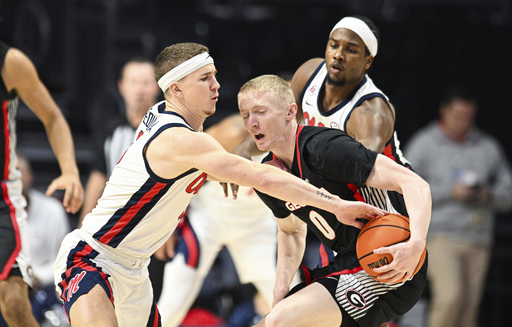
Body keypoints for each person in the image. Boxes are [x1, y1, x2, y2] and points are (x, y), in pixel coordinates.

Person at [53, 42, 385, 327]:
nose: (216, 85)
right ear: (177, 89)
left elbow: (165, 186)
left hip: (136, 271)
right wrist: (337, 205)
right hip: (94, 257)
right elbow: (263, 176)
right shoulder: (184, 139)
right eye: (205, 78)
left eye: (214, 76)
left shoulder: (171, 120)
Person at [237, 74, 431, 327]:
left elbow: (415, 184)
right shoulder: (268, 175)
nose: (252, 123)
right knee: (269, 321)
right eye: (245, 115)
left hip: (390, 258)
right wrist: (280, 288)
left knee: (280, 321)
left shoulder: (324, 148)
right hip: (346, 260)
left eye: (260, 112)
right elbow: (291, 231)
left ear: (289, 112)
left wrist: (416, 243)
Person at [230, 16, 411, 267]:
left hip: (381, 202)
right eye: (334, 45)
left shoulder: (371, 113)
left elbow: (359, 173)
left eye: (350, 50)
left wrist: (293, 179)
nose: (338, 55)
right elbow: (279, 119)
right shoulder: (309, 73)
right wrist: (243, 149)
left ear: (367, 61)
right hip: (334, 196)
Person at [404, 87, 512, 327]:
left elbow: (508, 193)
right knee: (451, 297)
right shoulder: (424, 143)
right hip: (440, 236)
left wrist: (488, 195)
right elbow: (404, 188)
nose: (463, 122)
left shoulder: (487, 146)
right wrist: (449, 192)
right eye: (458, 116)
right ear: (444, 111)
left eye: (468, 117)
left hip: (479, 237)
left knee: (469, 306)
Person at [157, 114, 278, 326]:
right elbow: (178, 167)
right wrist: (166, 222)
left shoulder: (302, 139)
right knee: (171, 306)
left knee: (287, 303)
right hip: (208, 217)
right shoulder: (230, 133)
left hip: (256, 224)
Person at [0, 42, 83, 327]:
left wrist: (70, 171)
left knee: (13, 302)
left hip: (3, 197)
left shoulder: (10, 62)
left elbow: (52, 116)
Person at [78, 57, 160, 226]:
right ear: (121, 86)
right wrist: (83, 224)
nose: (139, 90)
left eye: (145, 83)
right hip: (116, 220)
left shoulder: (167, 129)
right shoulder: (111, 130)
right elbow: (99, 173)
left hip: (155, 220)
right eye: (133, 82)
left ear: (157, 87)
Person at [16, 152, 71, 324]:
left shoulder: (53, 210)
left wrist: (35, 277)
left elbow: (65, 260)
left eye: (18, 171)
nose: (13, 178)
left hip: (45, 289)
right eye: (7, 174)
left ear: (29, 176)